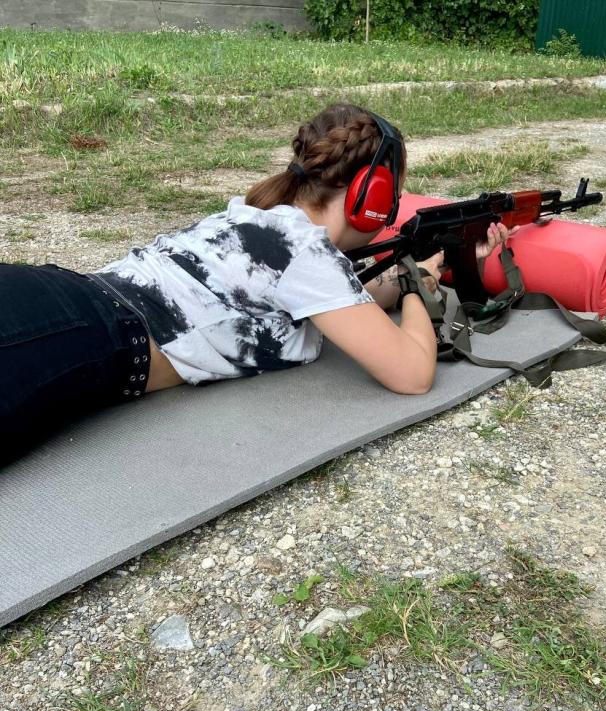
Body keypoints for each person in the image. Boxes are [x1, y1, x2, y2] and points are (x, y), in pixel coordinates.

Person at [0, 103, 513, 464]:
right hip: (80, 337)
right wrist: (419, 285)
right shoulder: (306, 252)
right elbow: (412, 373)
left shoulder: (263, 219)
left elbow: (345, 301)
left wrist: (433, 265)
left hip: (68, 308)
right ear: (372, 194)